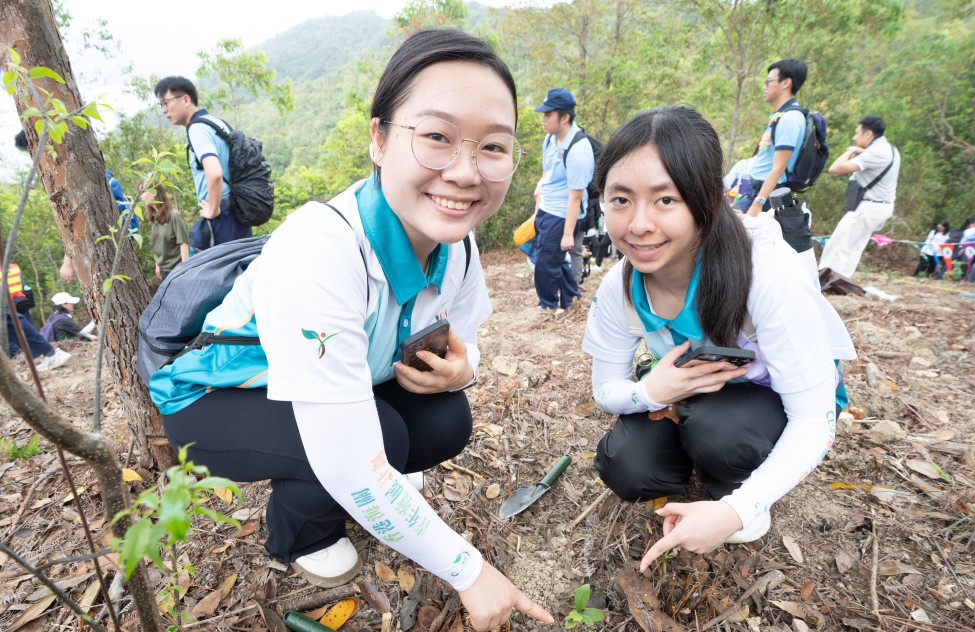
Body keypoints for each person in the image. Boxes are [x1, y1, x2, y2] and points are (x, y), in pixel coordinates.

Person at [146, 30, 552, 631]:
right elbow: (348, 458)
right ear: (380, 138)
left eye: (493, 146)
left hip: (338, 380)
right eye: (437, 136)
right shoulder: (322, 250)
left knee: (445, 417)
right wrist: (470, 571)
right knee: (377, 442)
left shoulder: (457, 248)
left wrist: (467, 369)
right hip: (211, 399)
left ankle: (365, 499)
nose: (466, 172)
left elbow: (466, 345)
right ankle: (295, 532)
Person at [581, 106, 855, 567]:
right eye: (621, 199)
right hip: (689, 393)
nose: (639, 224)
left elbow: (814, 421)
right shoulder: (621, 287)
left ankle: (738, 490)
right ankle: (695, 460)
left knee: (725, 437)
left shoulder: (765, 272)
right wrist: (651, 390)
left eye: (666, 200)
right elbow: (605, 391)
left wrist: (735, 510)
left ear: (706, 199)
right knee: (626, 465)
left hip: (765, 403)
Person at [15, 131, 137, 282]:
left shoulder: (76, 179)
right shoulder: (96, 173)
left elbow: (80, 220)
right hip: (123, 239)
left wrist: (67, 263)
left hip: (115, 243)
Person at [153, 76, 251, 250]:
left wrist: (213, 210)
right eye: (161, 105)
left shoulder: (197, 129)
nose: (164, 110)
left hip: (222, 214)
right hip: (236, 212)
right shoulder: (216, 123)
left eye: (166, 102)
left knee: (223, 274)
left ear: (185, 99)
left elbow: (214, 173)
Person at [817, 115, 901, 279]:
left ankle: (824, 280)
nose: (854, 137)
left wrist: (850, 150)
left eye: (857, 133)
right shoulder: (890, 149)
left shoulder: (876, 152)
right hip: (881, 206)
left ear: (868, 134)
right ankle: (840, 280)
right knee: (854, 246)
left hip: (870, 206)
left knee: (838, 244)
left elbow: (835, 169)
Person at [532, 88, 594, 309]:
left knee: (545, 264)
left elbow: (576, 197)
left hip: (561, 214)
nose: (544, 119)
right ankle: (572, 299)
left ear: (565, 117)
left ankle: (547, 305)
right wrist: (538, 206)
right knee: (552, 259)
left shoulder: (578, 151)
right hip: (546, 209)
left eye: (548, 115)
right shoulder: (550, 140)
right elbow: (547, 174)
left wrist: (568, 234)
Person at [735, 59, 808, 218]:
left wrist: (758, 204)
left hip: (765, 196)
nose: (765, 86)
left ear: (786, 83)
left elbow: (779, 167)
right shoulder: (782, 116)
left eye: (769, 81)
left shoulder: (790, 118)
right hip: (757, 191)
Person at [5, 265, 72, 370]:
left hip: (12, 304)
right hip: (18, 302)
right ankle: (47, 353)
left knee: (7, 319)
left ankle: (50, 353)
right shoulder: (12, 267)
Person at [144, 183, 190, 280]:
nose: (142, 196)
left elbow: (184, 244)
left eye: (144, 191)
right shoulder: (154, 217)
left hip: (177, 269)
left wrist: (185, 271)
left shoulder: (174, 216)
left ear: (155, 192)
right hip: (163, 270)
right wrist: (158, 265)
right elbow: (157, 243)